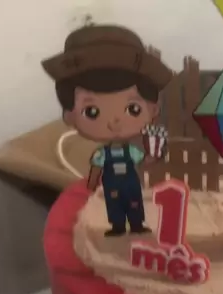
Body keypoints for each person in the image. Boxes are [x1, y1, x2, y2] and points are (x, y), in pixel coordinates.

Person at [42, 25, 173, 236]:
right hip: (110, 185)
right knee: (114, 205)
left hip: (132, 184)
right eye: (92, 111)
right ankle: (118, 226)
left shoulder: (132, 152)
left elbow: (144, 161)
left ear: (153, 109)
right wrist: (91, 186)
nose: (114, 123)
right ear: (69, 116)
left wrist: (154, 155)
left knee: (134, 202)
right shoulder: (102, 155)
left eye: (133, 109)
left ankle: (137, 223)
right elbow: (95, 170)